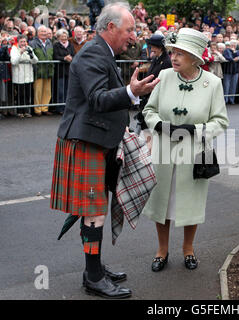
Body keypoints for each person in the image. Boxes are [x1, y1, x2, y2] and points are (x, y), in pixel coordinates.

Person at [50, 2, 160, 299]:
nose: (134, 36)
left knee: (94, 211)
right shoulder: (91, 54)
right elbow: (98, 98)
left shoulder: (102, 52)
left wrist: (124, 115)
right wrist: (130, 92)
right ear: (110, 27)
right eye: (129, 30)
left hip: (97, 140)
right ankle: (94, 277)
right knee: (94, 212)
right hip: (86, 142)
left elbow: (98, 101)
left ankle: (94, 267)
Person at [142, 28, 229, 272]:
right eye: (173, 52)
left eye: (181, 53)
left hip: (194, 153)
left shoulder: (212, 83)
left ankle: (188, 249)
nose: (175, 57)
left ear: (194, 57)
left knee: (190, 203)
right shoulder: (165, 76)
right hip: (163, 150)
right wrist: (158, 124)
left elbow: (220, 121)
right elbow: (149, 110)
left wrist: (196, 129)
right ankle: (162, 251)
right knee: (163, 204)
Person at [10, 34, 38, 118]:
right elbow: (14, 61)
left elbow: (36, 61)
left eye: (25, 41)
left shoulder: (29, 48)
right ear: (18, 42)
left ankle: (26, 111)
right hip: (19, 75)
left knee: (27, 94)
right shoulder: (14, 49)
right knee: (20, 94)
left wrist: (31, 55)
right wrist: (20, 52)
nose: (23, 43)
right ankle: (19, 111)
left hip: (28, 75)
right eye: (21, 41)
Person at [30, 25, 54, 116]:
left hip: (48, 70)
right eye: (42, 32)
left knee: (47, 91)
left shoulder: (49, 42)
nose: (44, 34)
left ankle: (45, 108)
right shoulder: (33, 43)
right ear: (37, 33)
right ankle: (38, 110)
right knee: (38, 91)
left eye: (45, 32)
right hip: (38, 70)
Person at [53, 28, 75, 114]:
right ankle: (60, 108)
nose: (64, 38)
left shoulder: (70, 45)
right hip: (60, 71)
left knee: (68, 90)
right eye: (62, 37)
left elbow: (74, 54)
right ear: (58, 37)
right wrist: (64, 58)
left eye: (65, 36)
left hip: (69, 71)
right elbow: (55, 56)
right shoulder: (56, 45)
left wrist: (71, 58)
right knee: (61, 90)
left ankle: (67, 107)